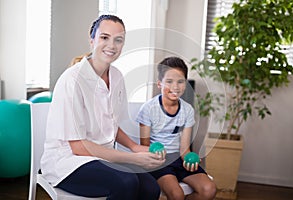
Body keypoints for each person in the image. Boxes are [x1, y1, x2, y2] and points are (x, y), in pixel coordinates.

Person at [40, 14, 165, 200]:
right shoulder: (72, 80)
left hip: (102, 158)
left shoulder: (117, 77)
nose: (112, 45)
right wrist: (133, 158)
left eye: (118, 40)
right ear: (92, 40)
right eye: (104, 37)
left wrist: (135, 147)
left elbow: (111, 126)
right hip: (68, 162)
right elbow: (78, 147)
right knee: (126, 183)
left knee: (150, 188)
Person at [136, 57, 217, 200]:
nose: (175, 87)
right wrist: (155, 149)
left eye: (180, 81)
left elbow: (185, 149)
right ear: (159, 84)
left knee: (209, 189)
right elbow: (145, 145)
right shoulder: (148, 109)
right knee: (177, 194)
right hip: (158, 161)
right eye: (169, 82)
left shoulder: (188, 110)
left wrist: (189, 158)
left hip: (178, 158)